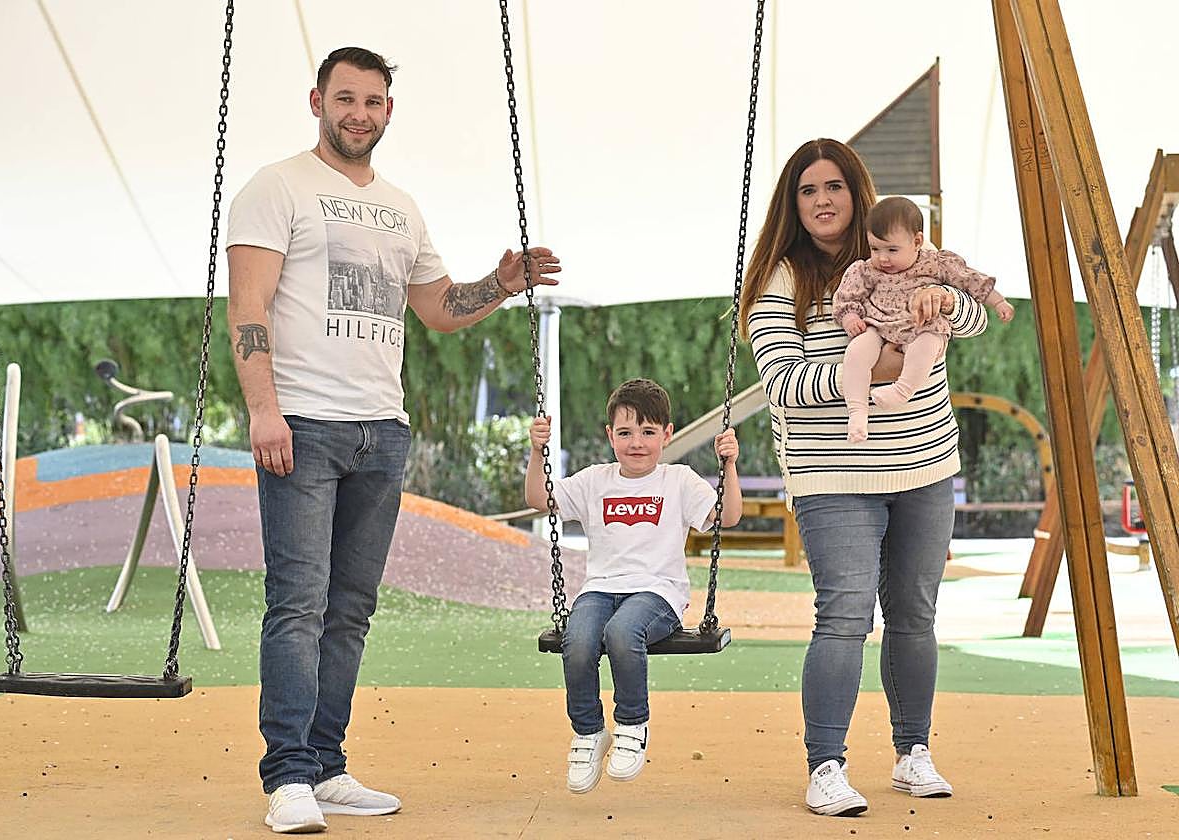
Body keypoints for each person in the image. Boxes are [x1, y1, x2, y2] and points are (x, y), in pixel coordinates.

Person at [226, 46, 561, 834]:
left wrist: (504, 283)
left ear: (387, 111)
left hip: (383, 427)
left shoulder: (403, 207)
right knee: (298, 603)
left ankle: (328, 765)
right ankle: (287, 778)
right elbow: (249, 306)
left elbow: (439, 308)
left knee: (350, 609)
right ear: (317, 101)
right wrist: (263, 409)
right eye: (346, 98)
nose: (359, 114)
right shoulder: (275, 188)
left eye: (373, 102)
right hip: (303, 423)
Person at [740, 139, 989, 817]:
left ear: (858, 192)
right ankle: (826, 765)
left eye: (835, 187)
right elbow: (783, 385)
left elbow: (966, 314)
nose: (823, 200)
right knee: (846, 613)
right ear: (793, 205)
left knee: (914, 613)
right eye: (807, 190)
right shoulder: (781, 279)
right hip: (833, 472)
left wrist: (942, 299)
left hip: (923, 464)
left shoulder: (903, 248)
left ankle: (913, 752)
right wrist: (873, 375)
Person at [524, 378, 742, 794]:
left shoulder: (678, 481)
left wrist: (728, 465)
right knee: (580, 638)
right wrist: (537, 452)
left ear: (667, 433)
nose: (636, 442)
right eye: (625, 433)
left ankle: (631, 725)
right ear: (610, 436)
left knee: (622, 633)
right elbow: (541, 499)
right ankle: (589, 732)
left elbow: (727, 516)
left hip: (658, 592)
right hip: (600, 588)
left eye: (647, 432)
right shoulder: (594, 480)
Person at [834, 196, 1014, 442]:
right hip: (878, 324)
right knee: (856, 352)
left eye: (891, 250)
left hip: (921, 324)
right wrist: (850, 317)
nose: (882, 258)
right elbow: (847, 296)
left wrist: (998, 301)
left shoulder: (936, 263)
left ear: (917, 241)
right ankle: (857, 411)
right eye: (875, 249)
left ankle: (903, 390)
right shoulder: (866, 270)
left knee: (929, 342)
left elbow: (971, 280)